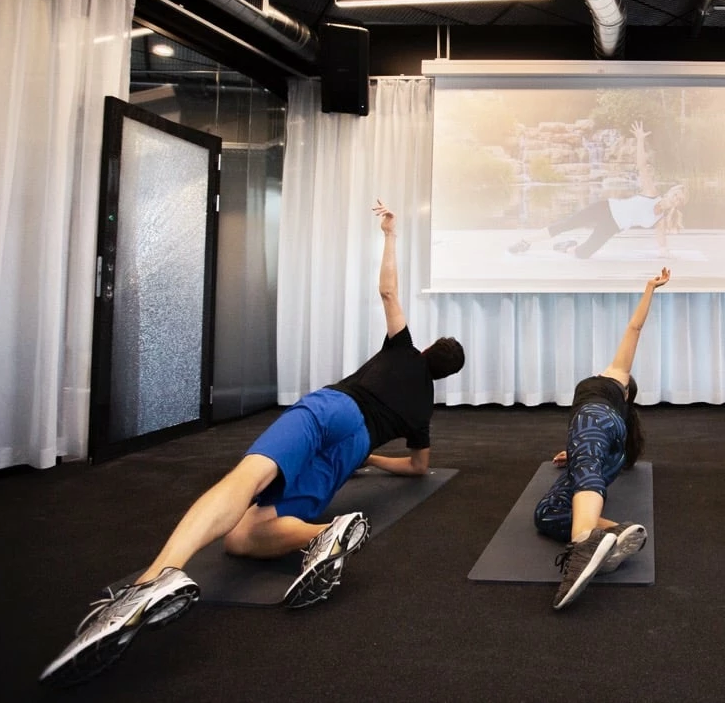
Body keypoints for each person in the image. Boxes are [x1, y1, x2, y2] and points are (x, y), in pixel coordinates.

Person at [40, 200, 466, 686]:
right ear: (446, 376)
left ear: (429, 350)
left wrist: (390, 235)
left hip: (333, 409)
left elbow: (388, 290)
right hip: (354, 447)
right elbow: (418, 468)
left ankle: (152, 580)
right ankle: (324, 532)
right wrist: (371, 455)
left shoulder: (403, 349)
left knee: (247, 482)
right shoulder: (423, 411)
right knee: (245, 537)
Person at [534, 267, 671, 610]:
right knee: (547, 514)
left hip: (593, 424)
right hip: (599, 442)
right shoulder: (618, 432)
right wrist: (576, 451)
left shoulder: (614, 380)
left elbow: (634, 328)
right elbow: (595, 455)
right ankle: (614, 532)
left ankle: (582, 544)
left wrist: (650, 288)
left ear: (625, 392)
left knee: (586, 472)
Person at [509, 121, 688, 260]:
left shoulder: (661, 221)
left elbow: (662, 246)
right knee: (566, 224)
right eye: (676, 194)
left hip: (613, 227)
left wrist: (669, 255)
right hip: (606, 208)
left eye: (679, 199)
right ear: (670, 192)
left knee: (583, 254)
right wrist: (640, 140)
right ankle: (525, 242)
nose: (676, 198)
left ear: (678, 205)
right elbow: (641, 165)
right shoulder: (651, 192)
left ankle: (566, 247)